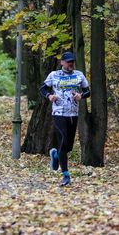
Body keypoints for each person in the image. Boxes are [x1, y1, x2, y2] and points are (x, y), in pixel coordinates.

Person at [40, 51, 90, 186]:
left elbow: (87, 91)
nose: (71, 64)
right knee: (62, 139)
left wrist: (81, 96)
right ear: (62, 62)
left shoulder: (79, 75)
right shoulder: (54, 75)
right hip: (58, 113)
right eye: (68, 62)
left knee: (68, 147)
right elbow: (43, 89)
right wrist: (50, 96)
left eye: (72, 61)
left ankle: (55, 155)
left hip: (73, 114)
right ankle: (66, 175)